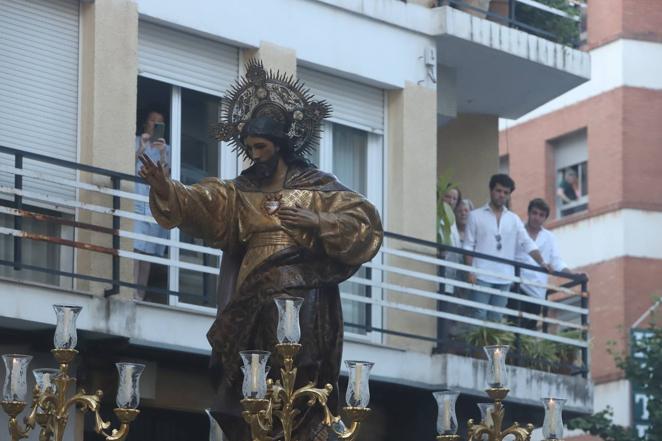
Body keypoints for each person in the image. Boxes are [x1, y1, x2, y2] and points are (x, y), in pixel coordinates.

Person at [139, 60, 383, 441]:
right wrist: (167, 189)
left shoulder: (319, 187)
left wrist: (317, 222)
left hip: (303, 294)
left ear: (282, 145)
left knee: (301, 379)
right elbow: (202, 203)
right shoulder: (240, 192)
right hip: (252, 295)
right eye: (250, 148)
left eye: (262, 147)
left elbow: (366, 225)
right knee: (250, 382)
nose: (255, 155)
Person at [463, 174, 551, 322]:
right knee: (478, 315)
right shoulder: (475, 216)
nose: (501, 195)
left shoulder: (513, 219)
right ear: (491, 190)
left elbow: (527, 242)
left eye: (506, 192)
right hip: (481, 274)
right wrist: (470, 271)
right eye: (498, 191)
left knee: (496, 318)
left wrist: (542, 262)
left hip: (505, 277)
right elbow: (468, 245)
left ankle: (489, 347)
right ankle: (475, 347)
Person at [514, 198, 573, 329]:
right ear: (528, 213)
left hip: (536, 291)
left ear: (545, 218)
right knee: (513, 326)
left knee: (528, 330)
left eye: (541, 215)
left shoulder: (549, 237)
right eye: (534, 213)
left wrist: (572, 275)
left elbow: (556, 261)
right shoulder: (517, 231)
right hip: (516, 285)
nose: (537, 217)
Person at [133, 110, 171, 300]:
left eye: (160, 122)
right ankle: (130, 290)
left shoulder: (166, 148)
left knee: (147, 250)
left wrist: (163, 154)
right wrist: (142, 146)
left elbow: (165, 178)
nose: (155, 125)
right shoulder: (136, 141)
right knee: (135, 247)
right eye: (152, 121)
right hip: (135, 200)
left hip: (152, 203)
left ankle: (141, 293)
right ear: (145, 123)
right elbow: (128, 165)